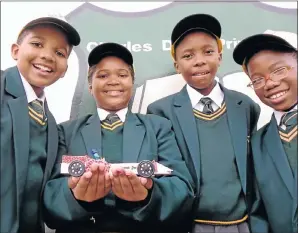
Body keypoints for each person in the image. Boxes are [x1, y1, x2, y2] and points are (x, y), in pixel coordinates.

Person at [43, 42, 194, 233]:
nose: (113, 81)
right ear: (90, 86)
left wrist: (148, 195)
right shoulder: (66, 131)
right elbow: (49, 197)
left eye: (122, 75)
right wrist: (75, 195)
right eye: (103, 75)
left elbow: (183, 188)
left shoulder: (158, 127)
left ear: (132, 82)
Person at [147, 14, 267, 233]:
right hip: (188, 223)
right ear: (177, 64)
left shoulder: (245, 106)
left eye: (208, 51)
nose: (199, 60)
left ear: (220, 57)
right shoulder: (160, 111)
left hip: (241, 222)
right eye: (188, 55)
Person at [1, 17, 81, 233]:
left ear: (64, 70)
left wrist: (78, 190)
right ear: (16, 50)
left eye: (60, 53)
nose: (47, 55)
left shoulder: (52, 124)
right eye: (37, 44)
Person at [233, 33, 298, 233]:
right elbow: (258, 212)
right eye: (257, 80)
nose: (269, 84)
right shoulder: (258, 143)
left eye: (278, 70)